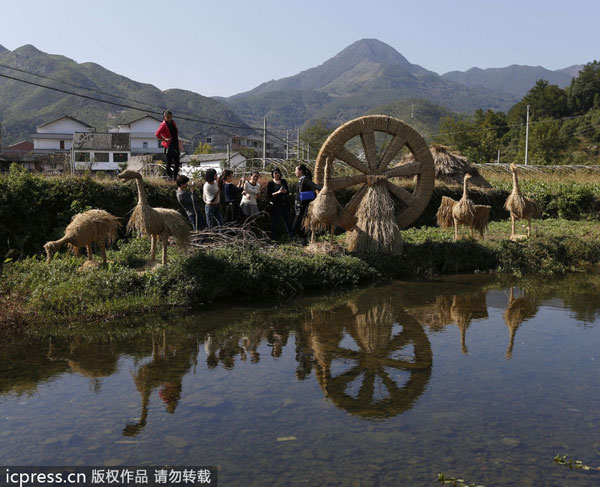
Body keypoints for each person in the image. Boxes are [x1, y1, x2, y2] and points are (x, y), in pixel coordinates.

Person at [292, 164, 321, 245]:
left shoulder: (305, 180)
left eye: (296, 170)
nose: (295, 172)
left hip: (303, 207)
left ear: (300, 171)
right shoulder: (300, 180)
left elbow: (314, 185)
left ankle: (304, 238)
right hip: (299, 206)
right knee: (300, 225)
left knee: (295, 226)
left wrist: (324, 189)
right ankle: (304, 241)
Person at [266, 167, 293, 240]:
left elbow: (287, 192)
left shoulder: (283, 181)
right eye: (275, 173)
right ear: (272, 174)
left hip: (284, 203)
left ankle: (291, 236)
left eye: (277, 172)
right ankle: (273, 237)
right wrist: (278, 192)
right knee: (275, 221)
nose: (276, 174)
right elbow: (269, 195)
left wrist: (285, 191)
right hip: (275, 205)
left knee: (287, 220)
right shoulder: (270, 183)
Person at [155, 110, 180, 181]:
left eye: (171, 117)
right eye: (168, 117)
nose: (170, 118)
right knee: (169, 162)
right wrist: (164, 139)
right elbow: (157, 134)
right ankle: (169, 176)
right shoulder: (163, 124)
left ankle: (175, 177)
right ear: (165, 117)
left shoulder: (173, 122)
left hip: (175, 144)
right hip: (169, 145)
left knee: (177, 162)